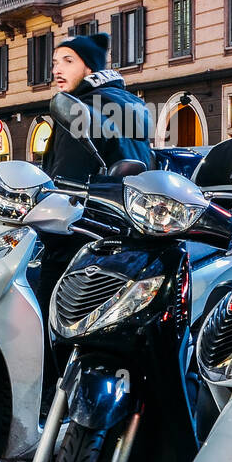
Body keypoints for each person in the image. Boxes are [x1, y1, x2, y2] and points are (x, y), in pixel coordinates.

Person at [36, 31, 154, 313]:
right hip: (130, 237)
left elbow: (66, 183)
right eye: (55, 62)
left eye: (68, 61)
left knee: (46, 322)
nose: (57, 70)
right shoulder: (130, 104)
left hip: (80, 241)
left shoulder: (79, 109)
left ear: (89, 67)